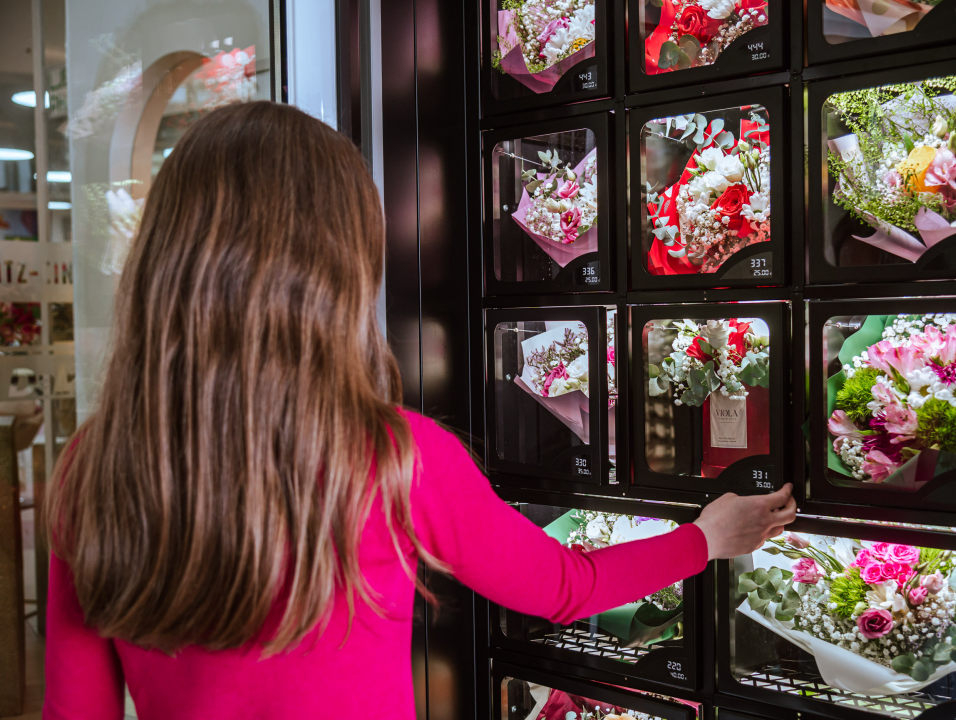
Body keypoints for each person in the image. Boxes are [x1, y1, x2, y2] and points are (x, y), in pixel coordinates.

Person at [43, 102, 796, 719]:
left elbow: (75, 711)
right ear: (336, 269)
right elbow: (567, 588)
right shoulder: (396, 458)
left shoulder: (95, 465)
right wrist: (705, 538)